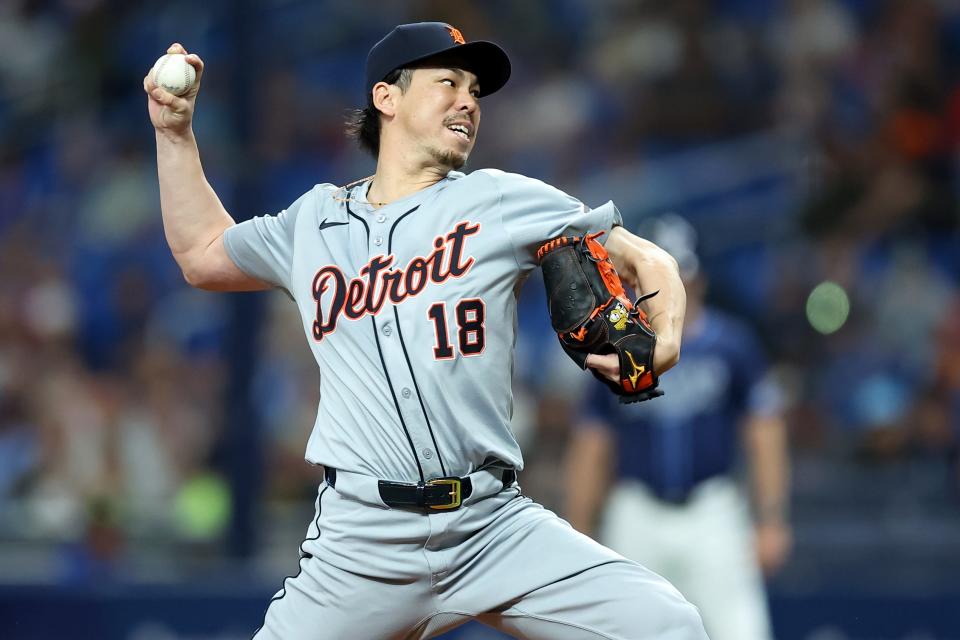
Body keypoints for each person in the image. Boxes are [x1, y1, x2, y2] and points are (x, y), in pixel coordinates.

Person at [144, 22, 707, 639]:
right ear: (387, 98)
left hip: (492, 526)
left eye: (474, 90)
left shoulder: (500, 199)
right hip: (362, 543)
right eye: (448, 82)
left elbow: (646, 258)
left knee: (668, 626)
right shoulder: (312, 222)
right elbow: (202, 252)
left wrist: (668, 334)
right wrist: (174, 134)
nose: (468, 100)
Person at [565, 215, 792, 640]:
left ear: (699, 277)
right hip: (635, 510)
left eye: (681, 272)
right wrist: (580, 529)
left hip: (713, 511)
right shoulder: (614, 349)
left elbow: (765, 433)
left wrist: (771, 518)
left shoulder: (732, 344)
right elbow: (592, 442)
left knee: (741, 631)